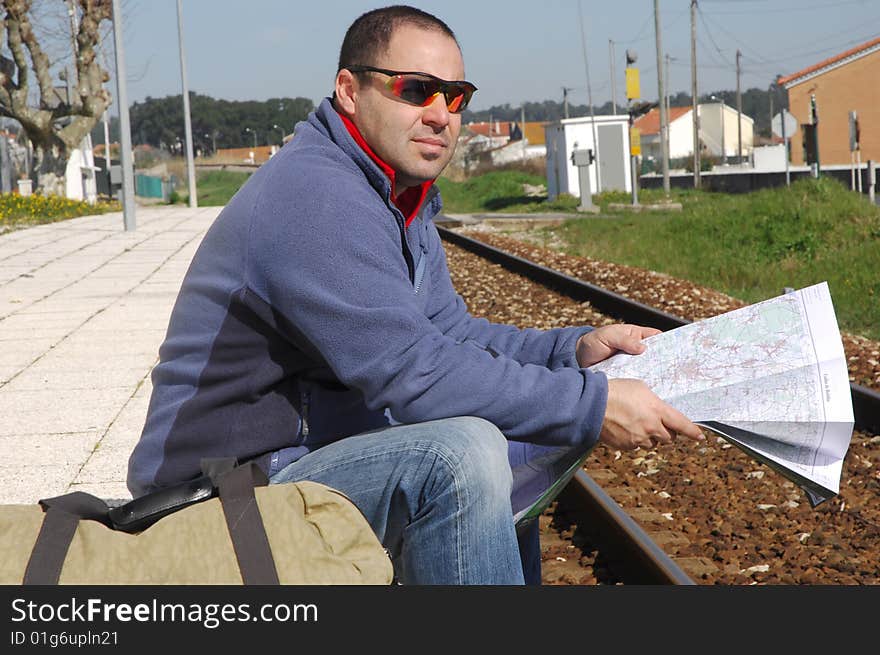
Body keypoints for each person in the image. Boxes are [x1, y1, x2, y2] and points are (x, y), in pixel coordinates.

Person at [127, 4, 703, 585]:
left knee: (510, 445)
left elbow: (449, 334)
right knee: (463, 455)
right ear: (349, 91)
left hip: (299, 456)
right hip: (220, 486)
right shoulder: (316, 196)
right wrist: (592, 405)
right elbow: (413, 375)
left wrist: (573, 352)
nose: (440, 115)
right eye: (416, 90)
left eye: (454, 96)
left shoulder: (396, 193)